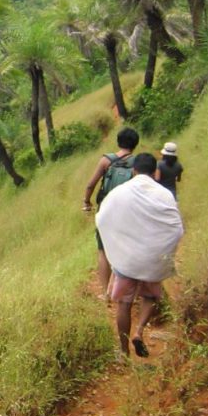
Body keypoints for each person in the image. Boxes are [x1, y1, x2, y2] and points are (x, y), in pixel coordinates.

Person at [96, 153, 185, 358]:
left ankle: (123, 351)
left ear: (134, 170)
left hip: (127, 261)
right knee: (150, 296)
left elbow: (101, 219)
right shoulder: (164, 194)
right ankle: (139, 331)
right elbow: (176, 228)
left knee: (124, 304)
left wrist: (118, 244)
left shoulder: (119, 193)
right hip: (152, 260)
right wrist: (161, 250)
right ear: (155, 172)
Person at [82, 127, 140, 300]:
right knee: (127, 248)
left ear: (118, 141)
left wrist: (86, 202)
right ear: (135, 144)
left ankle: (106, 293)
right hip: (128, 212)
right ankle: (128, 291)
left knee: (103, 251)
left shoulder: (106, 161)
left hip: (106, 210)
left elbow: (90, 185)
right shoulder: (137, 163)